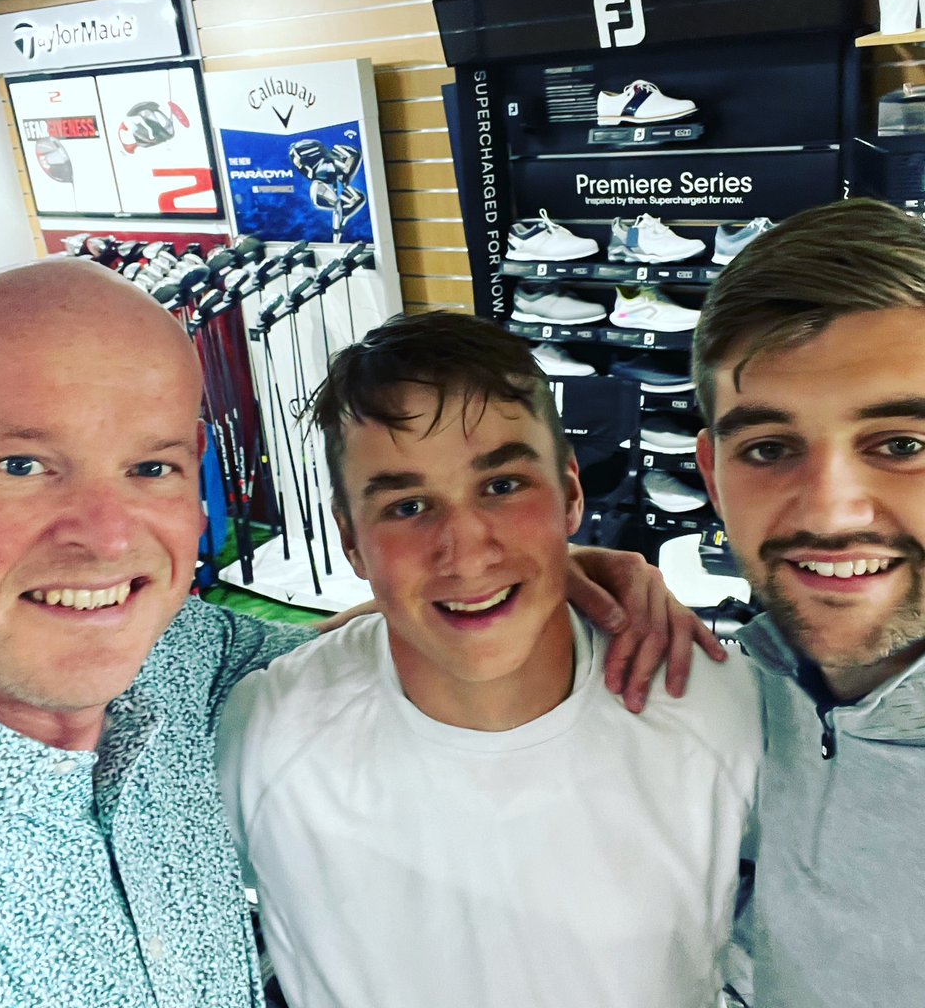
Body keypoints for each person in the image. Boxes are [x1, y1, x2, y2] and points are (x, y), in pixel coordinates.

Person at [0, 259, 706, 1008]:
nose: (106, 537)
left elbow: (368, 651)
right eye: (21, 465)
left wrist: (526, 566)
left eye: (151, 467)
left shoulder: (178, 657)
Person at [218, 311, 762, 1008]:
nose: (466, 549)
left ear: (570, 492)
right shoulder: (263, 738)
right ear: (351, 540)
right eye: (409, 505)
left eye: (502, 487)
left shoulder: (718, 706)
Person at [690, 198, 925, 1007]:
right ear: (715, 476)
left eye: (902, 445)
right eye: (769, 449)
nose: (830, 512)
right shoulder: (736, 681)